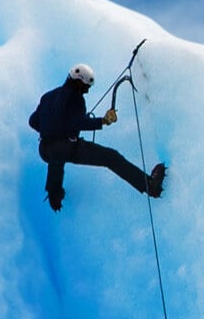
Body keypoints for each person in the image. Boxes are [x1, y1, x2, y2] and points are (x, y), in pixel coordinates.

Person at [29, 63, 166, 211]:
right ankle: (150, 186)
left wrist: (54, 131)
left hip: (44, 149)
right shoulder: (75, 98)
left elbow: (33, 122)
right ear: (79, 82)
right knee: (110, 157)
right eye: (86, 87)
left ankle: (54, 195)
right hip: (65, 147)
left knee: (57, 159)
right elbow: (79, 123)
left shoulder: (48, 96)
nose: (86, 91)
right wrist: (103, 121)